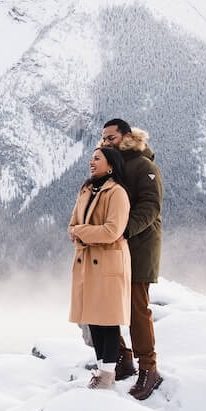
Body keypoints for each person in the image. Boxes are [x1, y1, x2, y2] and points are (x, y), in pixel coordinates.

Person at [101, 118, 163, 400]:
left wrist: (123, 230)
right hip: (114, 248)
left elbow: (151, 206)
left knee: (137, 310)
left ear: (126, 137)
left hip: (140, 247)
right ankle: (122, 358)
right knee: (106, 305)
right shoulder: (111, 167)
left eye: (111, 137)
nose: (106, 141)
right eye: (104, 138)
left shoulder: (143, 166)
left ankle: (149, 369)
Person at [69, 144, 132, 390]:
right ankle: (100, 371)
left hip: (108, 263)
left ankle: (107, 376)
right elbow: (72, 226)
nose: (92, 162)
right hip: (88, 262)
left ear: (111, 165)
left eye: (97, 158)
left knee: (108, 320)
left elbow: (112, 231)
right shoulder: (86, 190)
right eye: (91, 158)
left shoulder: (117, 193)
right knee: (93, 319)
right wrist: (79, 232)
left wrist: (81, 233)